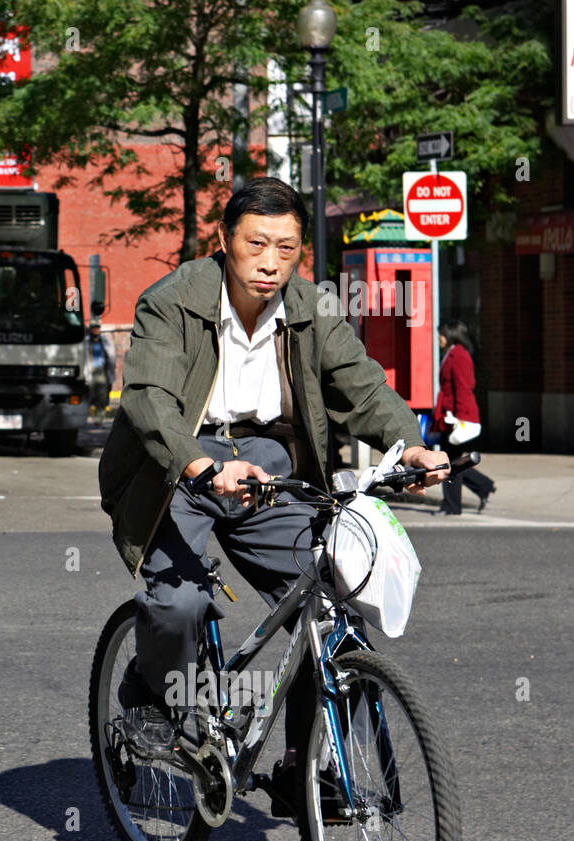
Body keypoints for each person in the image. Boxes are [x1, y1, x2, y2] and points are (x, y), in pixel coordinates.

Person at [97, 177, 448, 807]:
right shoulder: (172, 300)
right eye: (256, 243)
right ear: (224, 241)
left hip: (264, 465)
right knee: (178, 605)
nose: (270, 261)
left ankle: (302, 768)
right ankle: (150, 696)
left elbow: (363, 387)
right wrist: (201, 465)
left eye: (286, 248)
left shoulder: (311, 308)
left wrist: (410, 444)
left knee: (329, 606)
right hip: (174, 463)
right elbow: (149, 401)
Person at [429, 320, 495, 514]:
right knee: (453, 461)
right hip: (448, 417)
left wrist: (461, 418)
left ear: (450, 335)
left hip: (455, 418)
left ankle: (451, 505)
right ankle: (483, 486)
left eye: (441, 334)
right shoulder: (451, 353)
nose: (439, 338)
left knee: (448, 462)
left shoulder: (459, 355)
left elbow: (464, 388)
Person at [88, 319, 116, 421]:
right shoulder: (86, 342)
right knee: (89, 395)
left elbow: (111, 358)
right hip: (90, 371)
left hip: (102, 372)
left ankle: (99, 418)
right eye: (93, 328)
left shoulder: (105, 342)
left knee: (102, 396)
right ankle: (86, 417)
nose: (96, 330)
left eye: (97, 328)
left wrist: (111, 374)